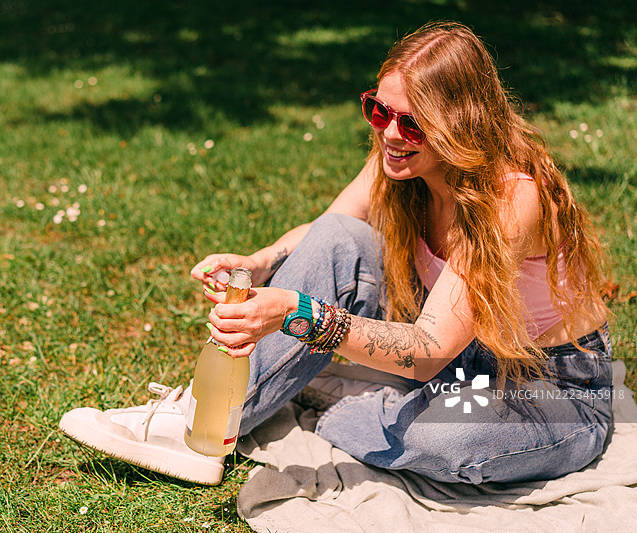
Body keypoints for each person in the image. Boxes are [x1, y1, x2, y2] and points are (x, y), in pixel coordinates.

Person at [59, 21, 612, 486]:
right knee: (339, 239)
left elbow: (427, 350)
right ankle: (197, 429)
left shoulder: (511, 197)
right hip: (456, 364)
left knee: (448, 440)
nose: (391, 133)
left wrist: (298, 314)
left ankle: (333, 404)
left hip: (549, 386)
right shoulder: (400, 160)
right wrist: (260, 261)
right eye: (379, 110)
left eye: (413, 123)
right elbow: (331, 233)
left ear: (459, 125)